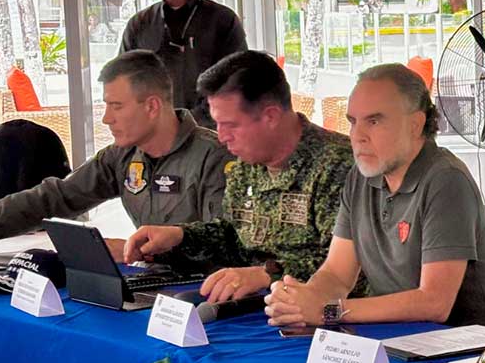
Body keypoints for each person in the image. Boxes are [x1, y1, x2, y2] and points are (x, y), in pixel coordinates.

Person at [263, 63, 485, 332]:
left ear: (415, 124)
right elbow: (336, 274)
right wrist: (303, 300)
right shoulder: (360, 176)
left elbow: (434, 302)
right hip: (404, 342)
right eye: (353, 122)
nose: (357, 136)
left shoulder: (446, 179)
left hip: (480, 356)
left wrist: (329, 310)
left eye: (374, 121)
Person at [0, 51, 229, 262]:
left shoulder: (214, 158)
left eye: (116, 106)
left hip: (211, 304)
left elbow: (233, 244)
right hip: (150, 293)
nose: (106, 119)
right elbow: (53, 197)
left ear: (152, 106)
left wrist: (142, 252)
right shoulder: (121, 157)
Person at [124, 51, 353, 303]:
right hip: (248, 307)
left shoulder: (338, 165)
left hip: (324, 316)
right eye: (217, 124)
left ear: (271, 116)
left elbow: (345, 266)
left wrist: (267, 274)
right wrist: (178, 236)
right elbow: (233, 235)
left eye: (231, 125)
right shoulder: (245, 165)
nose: (221, 137)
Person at [120, 0, 247, 128]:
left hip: (213, 141)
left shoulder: (222, 22)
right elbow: (124, 86)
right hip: (155, 142)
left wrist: (184, 126)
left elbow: (235, 87)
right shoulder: (139, 25)